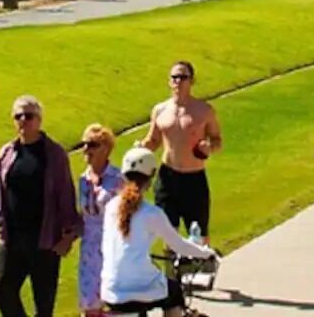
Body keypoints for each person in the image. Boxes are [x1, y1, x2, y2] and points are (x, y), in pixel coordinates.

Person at [0, 95, 81, 317]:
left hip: (44, 240)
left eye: (28, 116)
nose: (23, 120)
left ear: (39, 120)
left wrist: (68, 238)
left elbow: (66, 197)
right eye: (18, 116)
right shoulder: (7, 153)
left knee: (44, 302)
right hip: (12, 238)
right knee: (3, 286)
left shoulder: (54, 155)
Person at [100, 146, 216, 315]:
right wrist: (206, 253)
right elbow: (179, 246)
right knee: (174, 292)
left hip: (111, 289)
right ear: (151, 177)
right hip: (141, 288)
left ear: (124, 176)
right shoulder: (152, 213)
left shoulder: (110, 207)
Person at [138, 61, 222, 237]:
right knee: (168, 233)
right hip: (167, 178)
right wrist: (141, 147)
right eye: (174, 77)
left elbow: (217, 140)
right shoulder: (160, 110)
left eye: (183, 77)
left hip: (194, 179)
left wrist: (209, 147)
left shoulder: (204, 111)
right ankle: (171, 264)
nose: (178, 81)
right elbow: (153, 140)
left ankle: (201, 263)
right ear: (169, 82)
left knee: (199, 236)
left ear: (191, 81)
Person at [77, 123, 124, 317]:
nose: (86, 150)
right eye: (84, 144)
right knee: (90, 305)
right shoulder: (83, 180)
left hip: (112, 246)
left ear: (106, 148)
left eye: (92, 145)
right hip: (89, 249)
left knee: (113, 304)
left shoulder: (118, 179)